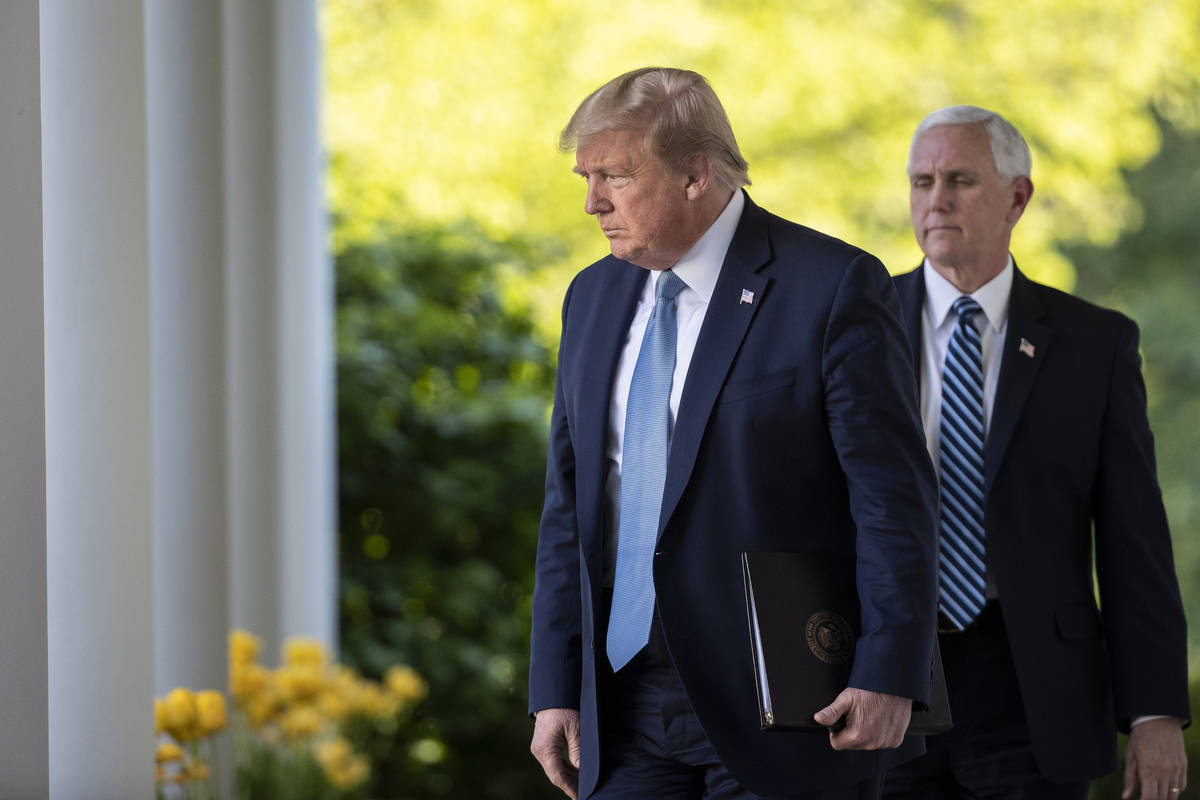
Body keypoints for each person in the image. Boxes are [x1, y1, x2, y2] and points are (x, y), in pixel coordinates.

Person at [527, 67, 939, 800]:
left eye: (616, 176)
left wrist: (889, 671)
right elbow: (570, 508)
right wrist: (555, 686)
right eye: (584, 177)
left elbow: (892, 501)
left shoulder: (832, 285)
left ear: (695, 173)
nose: (592, 203)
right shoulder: (590, 297)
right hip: (622, 706)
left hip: (788, 702)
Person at [883, 105, 1190, 800]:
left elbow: (1133, 540)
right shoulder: (854, 329)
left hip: (1036, 697)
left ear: (1017, 196)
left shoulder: (1095, 347)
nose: (936, 200)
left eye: (960, 179)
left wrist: (1155, 713)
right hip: (889, 686)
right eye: (921, 181)